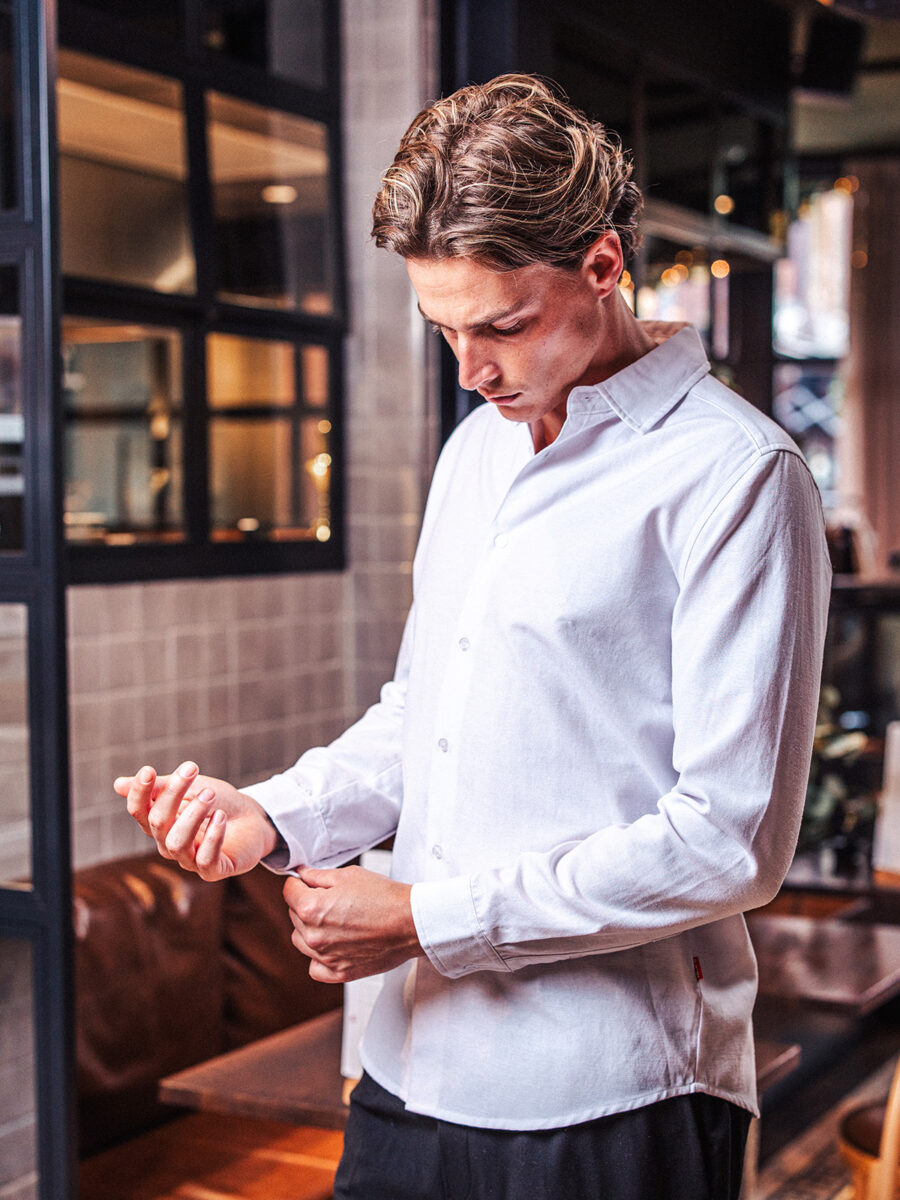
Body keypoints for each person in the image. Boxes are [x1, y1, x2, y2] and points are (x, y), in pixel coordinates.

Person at [115, 74, 831, 1199]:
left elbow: (731, 839)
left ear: (604, 264)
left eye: (501, 325)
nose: (470, 370)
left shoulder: (736, 475)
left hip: (611, 1094)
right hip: (402, 1068)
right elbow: (425, 718)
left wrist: (425, 921)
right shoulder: (475, 450)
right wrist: (271, 814)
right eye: (443, 328)